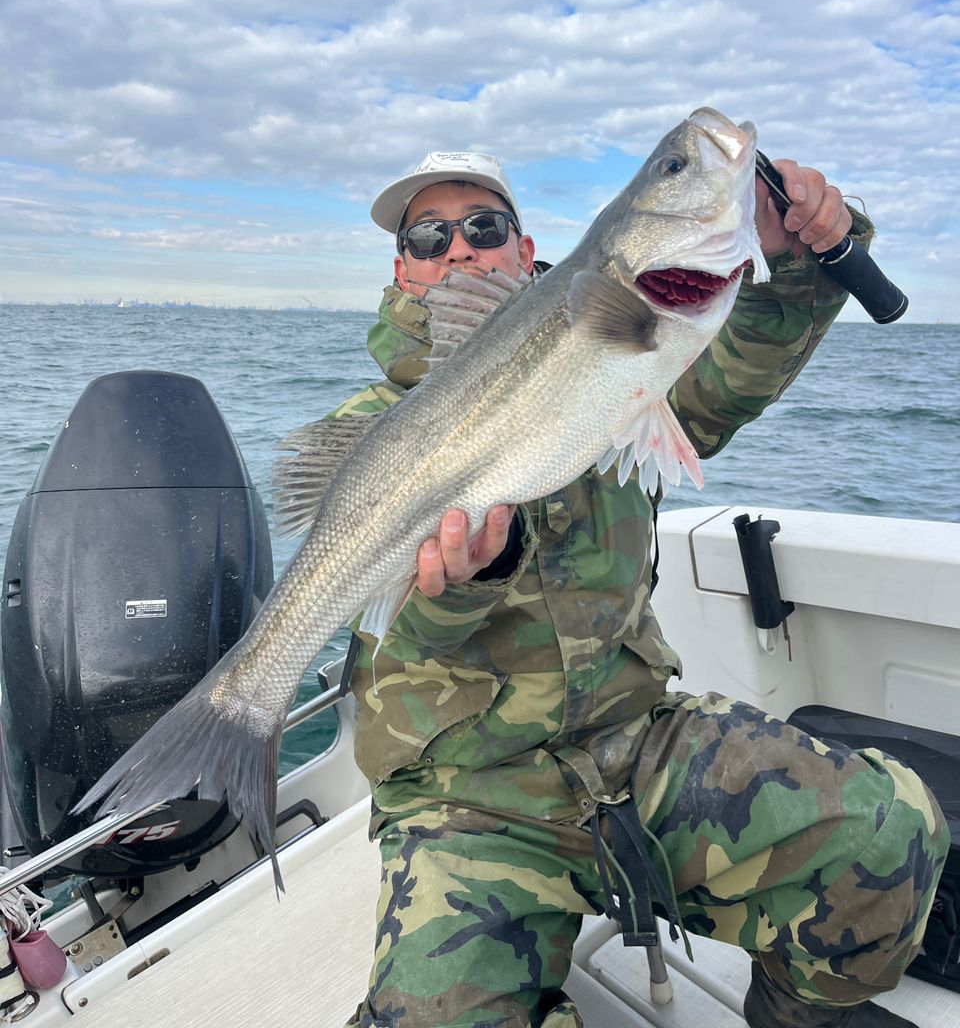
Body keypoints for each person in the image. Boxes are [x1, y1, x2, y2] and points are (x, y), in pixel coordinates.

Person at [335, 148, 946, 1028]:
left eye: (483, 226)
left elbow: (725, 379)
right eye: (430, 236)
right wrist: (465, 583)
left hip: (633, 743)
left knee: (894, 831)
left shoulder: (616, 355)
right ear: (402, 268)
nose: (459, 250)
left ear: (525, 245)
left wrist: (804, 266)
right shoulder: (367, 435)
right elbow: (389, 652)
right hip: (467, 797)